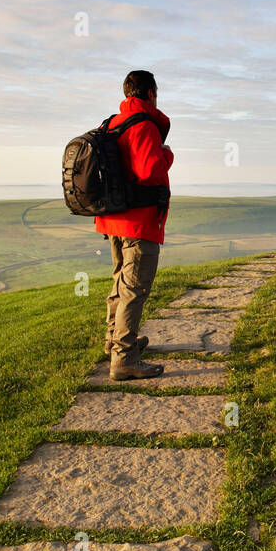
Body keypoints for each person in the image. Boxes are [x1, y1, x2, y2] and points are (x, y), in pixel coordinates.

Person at [96, 69, 173, 380]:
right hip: (138, 221)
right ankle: (125, 358)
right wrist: (167, 155)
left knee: (120, 282)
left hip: (112, 217)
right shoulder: (143, 125)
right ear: (151, 93)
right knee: (134, 288)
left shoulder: (112, 123)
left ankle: (115, 341)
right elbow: (150, 172)